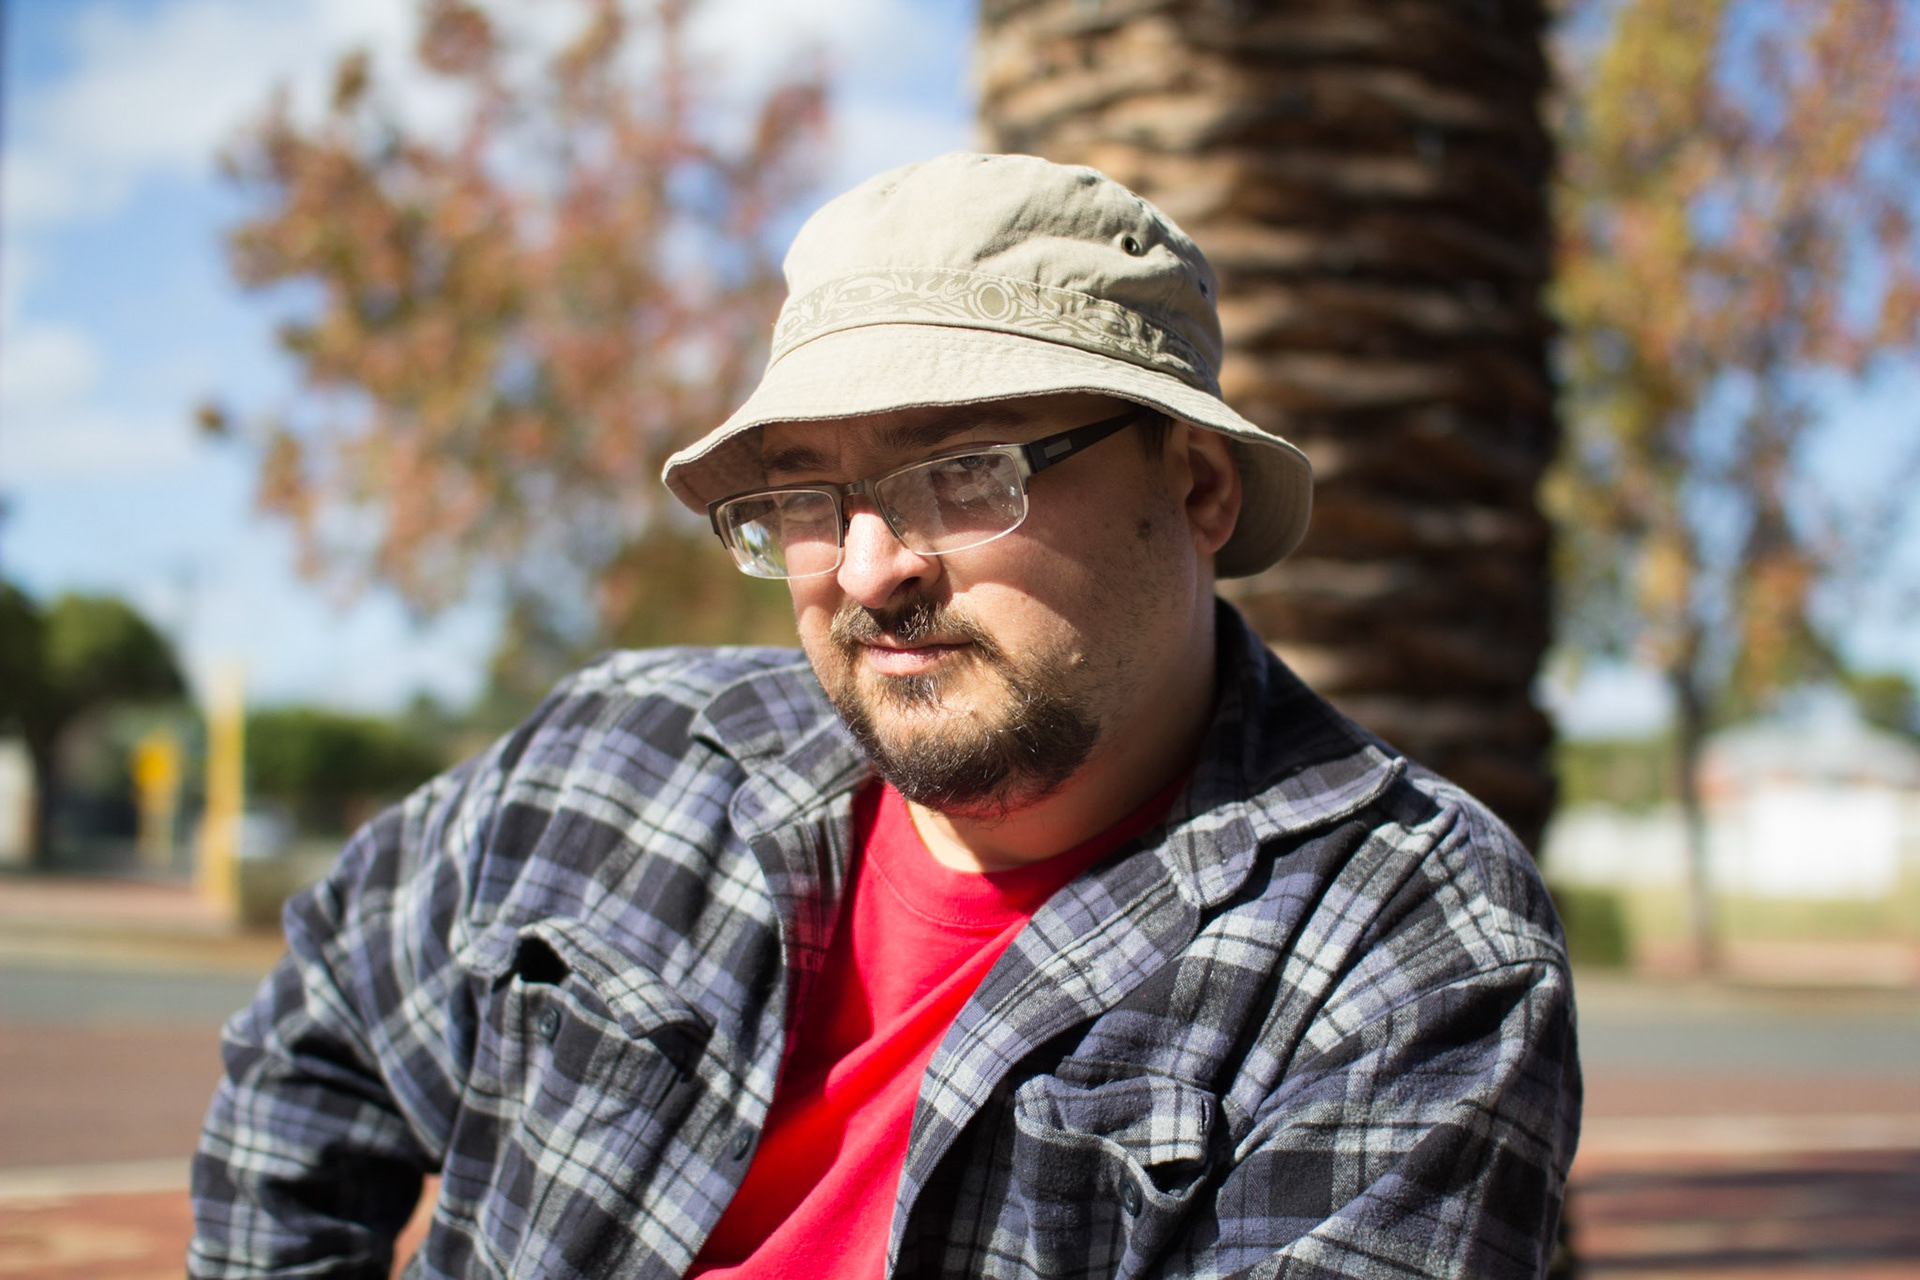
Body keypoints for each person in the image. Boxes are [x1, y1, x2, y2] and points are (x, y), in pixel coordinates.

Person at [191, 152, 1580, 1280]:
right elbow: (313, 1047)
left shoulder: (1404, 951)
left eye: (965, 470)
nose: (867, 570)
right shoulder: (614, 757)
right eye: (806, 495)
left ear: (1199, 488)